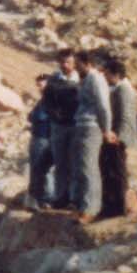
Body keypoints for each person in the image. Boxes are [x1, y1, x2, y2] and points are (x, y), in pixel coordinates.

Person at [69, 52, 112, 220]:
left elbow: (104, 106)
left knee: (89, 168)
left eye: (77, 63)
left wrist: (106, 129)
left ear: (87, 63)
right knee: (80, 167)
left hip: (92, 127)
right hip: (81, 125)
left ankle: (91, 208)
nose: (75, 67)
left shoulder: (96, 79)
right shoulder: (85, 80)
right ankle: (81, 205)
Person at [102, 54, 137, 218]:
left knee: (119, 173)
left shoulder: (124, 90)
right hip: (116, 138)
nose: (105, 77)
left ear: (116, 75)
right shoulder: (119, 89)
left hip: (120, 139)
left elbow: (126, 116)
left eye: (107, 74)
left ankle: (119, 207)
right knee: (113, 172)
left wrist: (119, 137)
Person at [39, 51, 81, 207]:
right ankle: (60, 196)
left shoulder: (82, 79)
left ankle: (75, 197)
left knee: (76, 162)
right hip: (59, 127)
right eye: (62, 62)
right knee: (60, 162)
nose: (65, 65)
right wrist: (55, 115)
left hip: (77, 126)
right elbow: (46, 102)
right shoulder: (54, 81)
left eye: (68, 62)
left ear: (74, 63)